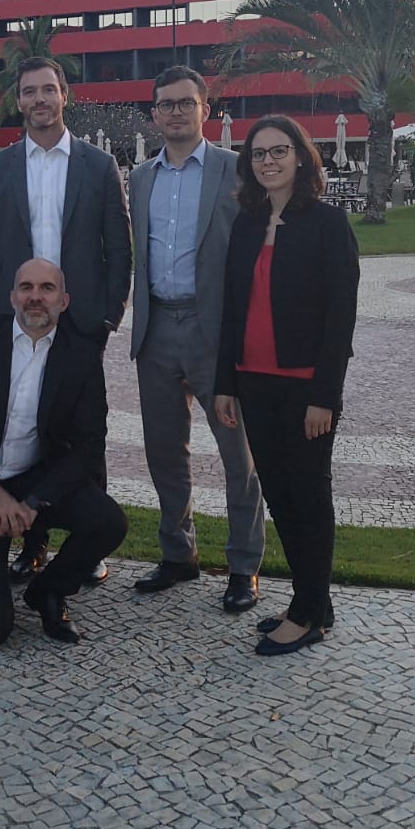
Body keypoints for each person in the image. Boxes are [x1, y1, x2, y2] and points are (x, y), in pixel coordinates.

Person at [0, 55, 132, 583]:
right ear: (19, 101)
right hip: (15, 322)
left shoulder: (97, 166)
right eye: (29, 92)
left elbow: (120, 250)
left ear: (65, 96)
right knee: (25, 426)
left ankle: (90, 547)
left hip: (79, 323)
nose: (39, 100)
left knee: (85, 434)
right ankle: (32, 543)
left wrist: (107, 317)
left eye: (48, 90)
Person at [0, 259, 128, 648]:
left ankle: (47, 591)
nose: (36, 297)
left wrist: (33, 503)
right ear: (12, 296)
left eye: (47, 288)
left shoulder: (81, 357)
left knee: (108, 521)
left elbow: (89, 444)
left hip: (33, 480)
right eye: (27, 287)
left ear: (64, 301)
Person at [213, 115, 358, 657]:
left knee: (308, 498)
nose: (268, 161)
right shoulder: (247, 224)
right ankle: (314, 601)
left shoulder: (327, 223)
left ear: (301, 156)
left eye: (279, 151)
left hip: (305, 390)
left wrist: (326, 395)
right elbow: (232, 310)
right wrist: (226, 382)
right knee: (278, 494)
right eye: (258, 154)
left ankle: (307, 613)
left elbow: (340, 318)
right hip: (254, 383)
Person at [128, 66, 265, 612]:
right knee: (165, 451)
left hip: (216, 331)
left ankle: (243, 566)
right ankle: (178, 555)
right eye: (166, 104)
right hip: (157, 326)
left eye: (187, 103)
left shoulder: (236, 171)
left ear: (205, 109)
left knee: (238, 454)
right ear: (154, 113)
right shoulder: (140, 178)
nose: (176, 112)